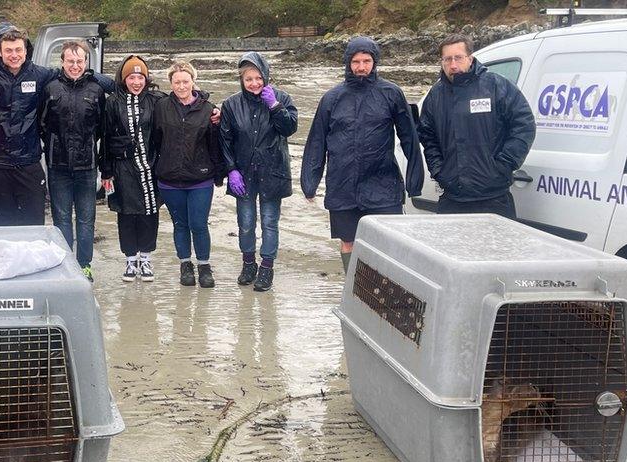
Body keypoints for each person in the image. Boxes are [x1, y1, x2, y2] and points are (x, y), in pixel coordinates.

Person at [302, 37, 424, 273]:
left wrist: (415, 180)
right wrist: (310, 182)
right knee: (348, 240)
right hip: (342, 184)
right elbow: (316, 142)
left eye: (366, 61)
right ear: (347, 63)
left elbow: (410, 138)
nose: (361, 67)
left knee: (389, 240)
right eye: (356, 61)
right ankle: (353, 285)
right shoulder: (331, 98)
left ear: (374, 62)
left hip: (383, 183)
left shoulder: (391, 93)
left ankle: (387, 286)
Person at [417, 34, 535, 219]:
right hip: (452, 199)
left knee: (498, 248)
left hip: (494, 198)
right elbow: (426, 135)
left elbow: (524, 125)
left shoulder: (496, 86)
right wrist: (439, 169)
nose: (453, 65)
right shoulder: (436, 95)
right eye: (447, 59)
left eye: (458, 58)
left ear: (470, 58)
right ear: (441, 62)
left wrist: (504, 165)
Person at [220, 52, 298, 292]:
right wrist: (231, 170)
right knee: (245, 223)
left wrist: (274, 106)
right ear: (241, 81)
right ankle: (248, 264)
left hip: (273, 172)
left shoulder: (282, 98)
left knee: (269, 222)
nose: (254, 83)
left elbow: (289, 128)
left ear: (265, 76)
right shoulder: (231, 104)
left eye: (258, 78)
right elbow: (225, 139)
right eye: (248, 79)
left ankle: (266, 268)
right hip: (243, 174)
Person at [0, 23, 55, 227]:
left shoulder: (40, 75)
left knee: (33, 225)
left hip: (28, 163)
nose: (14, 55)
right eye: (8, 50)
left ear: (26, 50)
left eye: (18, 49)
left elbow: (72, 75)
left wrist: (112, 83)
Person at [153, 60, 225, 288]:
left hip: (200, 178)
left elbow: (215, 143)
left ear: (193, 81)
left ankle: (204, 265)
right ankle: (185, 265)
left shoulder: (208, 109)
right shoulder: (161, 106)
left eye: (185, 81)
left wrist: (219, 173)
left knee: (199, 224)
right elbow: (155, 140)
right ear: (171, 83)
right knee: (180, 224)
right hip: (169, 178)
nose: (181, 86)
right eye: (177, 82)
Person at [40, 40, 108, 281]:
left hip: (87, 166)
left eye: (80, 61)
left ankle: (85, 265)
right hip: (57, 165)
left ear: (86, 62)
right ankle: (65, 265)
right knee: (61, 218)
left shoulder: (96, 90)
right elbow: (42, 124)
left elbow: (101, 128)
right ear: (62, 62)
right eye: (71, 61)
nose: (75, 65)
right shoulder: (50, 88)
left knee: (86, 218)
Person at [101, 55, 165, 282]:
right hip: (122, 166)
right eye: (131, 77)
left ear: (146, 79)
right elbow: (106, 137)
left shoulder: (157, 99)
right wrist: (105, 170)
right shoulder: (112, 102)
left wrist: (206, 100)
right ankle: (130, 259)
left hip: (150, 166)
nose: (136, 82)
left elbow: (184, 101)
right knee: (126, 212)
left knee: (150, 211)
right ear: (123, 78)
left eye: (140, 77)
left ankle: (145, 258)